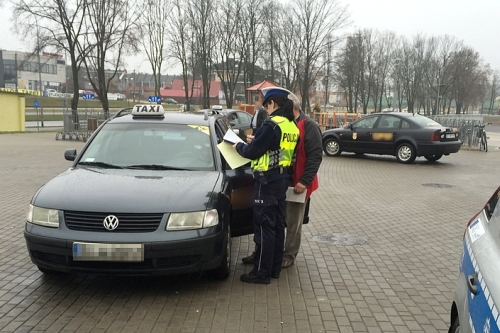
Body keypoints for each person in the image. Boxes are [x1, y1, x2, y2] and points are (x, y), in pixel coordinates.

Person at [233, 87, 299, 284]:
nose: (265, 109)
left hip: (266, 182)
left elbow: (252, 153)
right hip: (281, 181)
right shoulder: (290, 126)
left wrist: (238, 146)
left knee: (264, 227)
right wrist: (257, 141)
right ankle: (274, 269)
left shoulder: (271, 125)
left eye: (265, 105)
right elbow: (276, 149)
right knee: (278, 226)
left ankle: (261, 273)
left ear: (272, 104)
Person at [281, 93, 322, 268]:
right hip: (284, 179)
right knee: (283, 218)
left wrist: (303, 182)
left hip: (298, 183)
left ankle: (289, 255)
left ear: (293, 108)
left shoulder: (309, 126)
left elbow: (315, 157)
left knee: (293, 221)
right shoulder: (287, 124)